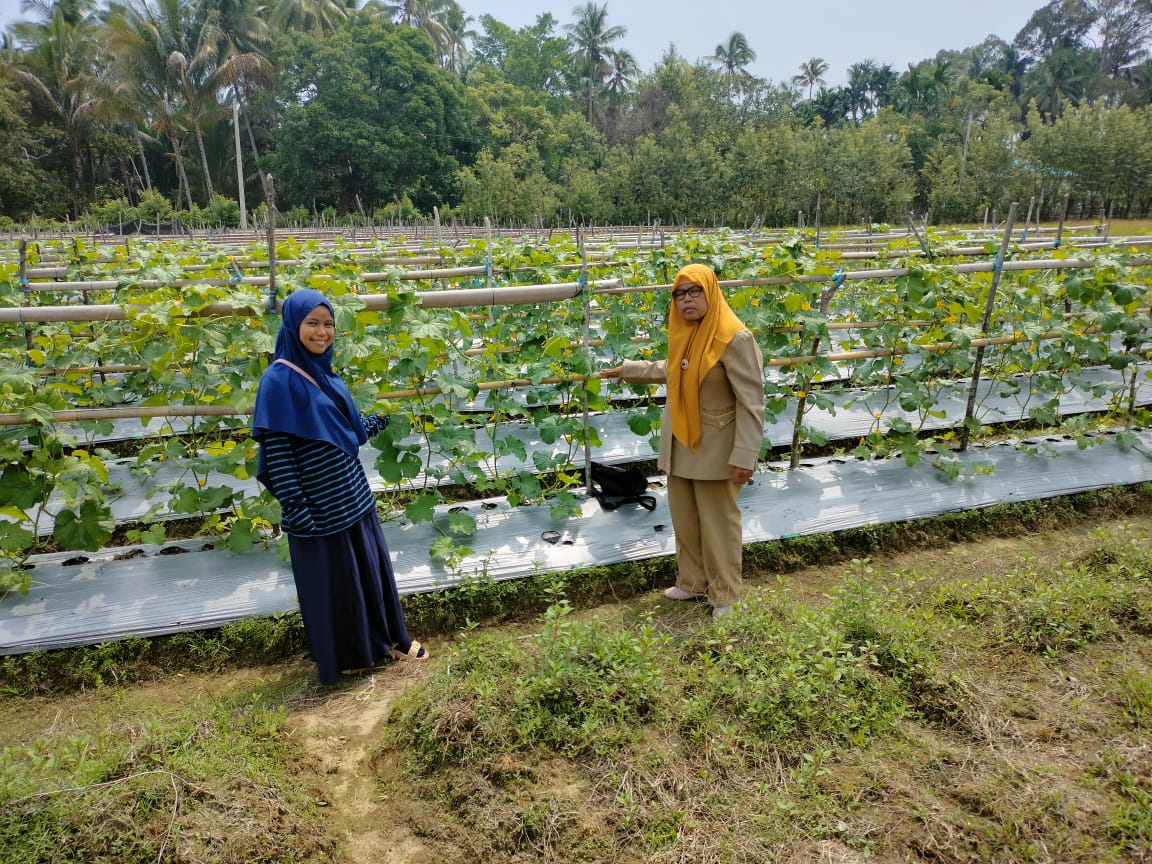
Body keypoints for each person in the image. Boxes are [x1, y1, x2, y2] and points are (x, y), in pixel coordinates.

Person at [252, 288, 427, 685]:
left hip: (351, 496)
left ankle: (390, 641)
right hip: (317, 507)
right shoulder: (278, 380)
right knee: (337, 586)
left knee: (369, 574)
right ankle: (353, 654)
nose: (322, 332)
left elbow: (337, 432)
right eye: (311, 323)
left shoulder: (324, 373)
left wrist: (372, 423)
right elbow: (278, 454)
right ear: (293, 326)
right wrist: (298, 509)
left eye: (328, 323)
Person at [597, 263, 765, 617]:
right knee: (685, 519)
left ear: (711, 293)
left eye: (694, 292)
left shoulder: (735, 338)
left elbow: (752, 403)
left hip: (717, 449)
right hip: (681, 443)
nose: (686, 300)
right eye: (679, 294)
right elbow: (673, 368)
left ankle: (725, 595)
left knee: (718, 525)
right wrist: (629, 370)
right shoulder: (686, 333)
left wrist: (745, 455)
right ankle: (692, 582)